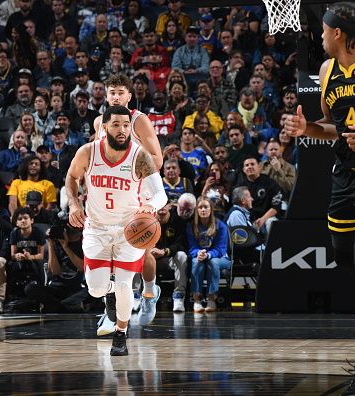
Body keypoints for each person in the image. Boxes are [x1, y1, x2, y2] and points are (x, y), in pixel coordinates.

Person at [283, 3, 355, 394]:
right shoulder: (328, 71)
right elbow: (334, 129)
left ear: (338, 34)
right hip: (345, 177)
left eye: (324, 29)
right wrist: (308, 127)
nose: (319, 35)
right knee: (344, 254)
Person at [66, 105, 168, 356]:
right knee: (95, 288)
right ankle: (108, 294)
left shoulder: (140, 155)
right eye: (116, 125)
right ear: (104, 127)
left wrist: (149, 207)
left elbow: (161, 195)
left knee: (124, 285)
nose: (122, 130)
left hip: (128, 232)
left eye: (125, 125)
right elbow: (71, 178)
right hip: (97, 228)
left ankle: (120, 334)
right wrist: (74, 204)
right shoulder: (87, 152)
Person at [93, 74, 163, 327]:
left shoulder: (139, 121)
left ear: (129, 96)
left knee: (141, 250)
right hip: (110, 194)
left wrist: (130, 166)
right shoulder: (99, 123)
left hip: (139, 191)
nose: (115, 96)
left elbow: (157, 158)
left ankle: (149, 293)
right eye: (111, 92)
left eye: (120, 92)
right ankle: (112, 312)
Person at [186, 197, 231, 313]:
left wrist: (208, 255)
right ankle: (196, 300)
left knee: (213, 261)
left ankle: (211, 299)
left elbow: (221, 249)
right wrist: (198, 253)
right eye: (200, 207)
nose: (203, 210)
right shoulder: (191, 226)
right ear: (196, 210)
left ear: (211, 209)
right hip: (201, 256)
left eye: (206, 207)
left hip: (221, 258)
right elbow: (191, 247)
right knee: (196, 261)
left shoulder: (221, 226)